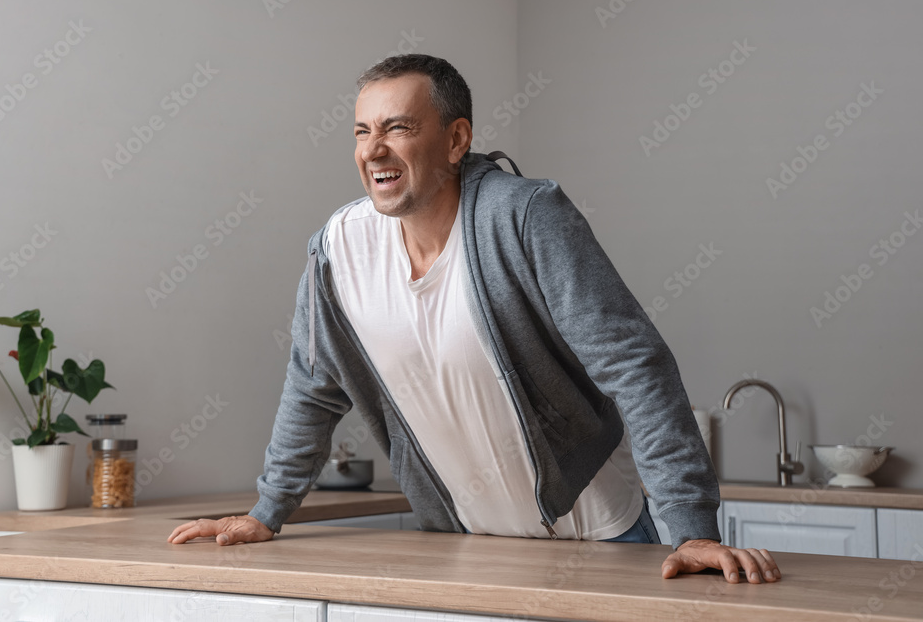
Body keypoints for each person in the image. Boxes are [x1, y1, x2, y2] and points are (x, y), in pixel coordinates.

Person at [168, 54, 781, 585]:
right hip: (463, 544)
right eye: (361, 131)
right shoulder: (337, 248)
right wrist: (268, 510)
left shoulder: (526, 218)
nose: (373, 150)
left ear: (457, 139)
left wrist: (693, 530)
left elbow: (635, 366)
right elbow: (313, 385)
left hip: (602, 532)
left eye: (398, 128)